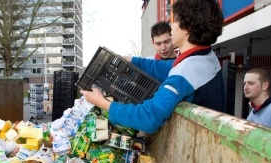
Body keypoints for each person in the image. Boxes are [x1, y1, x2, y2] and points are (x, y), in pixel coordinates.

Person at [80, 0, 225, 134]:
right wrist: (131, 60)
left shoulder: (185, 72)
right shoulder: (206, 57)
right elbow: (165, 67)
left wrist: (103, 103)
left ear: (186, 29)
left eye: (175, 21)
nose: (172, 25)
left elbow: (149, 117)